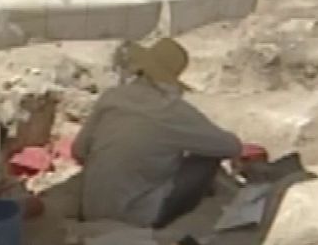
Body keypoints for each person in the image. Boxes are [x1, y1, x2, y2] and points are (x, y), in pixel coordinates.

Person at [73, 37, 242, 229]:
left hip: (91, 210)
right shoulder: (173, 110)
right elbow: (230, 146)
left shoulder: (112, 96)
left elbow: (79, 151)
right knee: (205, 161)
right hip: (137, 215)